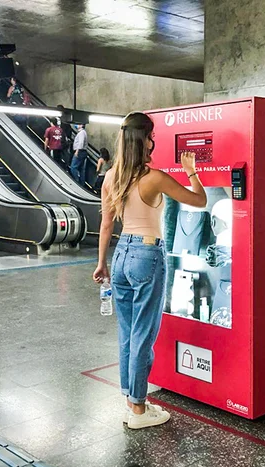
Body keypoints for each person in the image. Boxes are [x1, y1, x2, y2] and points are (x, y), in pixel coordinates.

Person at [93, 112, 207, 429]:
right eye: (152, 136)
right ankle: (140, 411)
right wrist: (192, 172)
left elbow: (105, 225)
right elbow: (199, 200)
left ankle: (132, 400)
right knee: (144, 336)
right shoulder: (153, 178)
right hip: (147, 254)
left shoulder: (111, 177)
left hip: (121, 257)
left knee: (128, 334)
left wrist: (101, 263)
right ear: (145, 139)